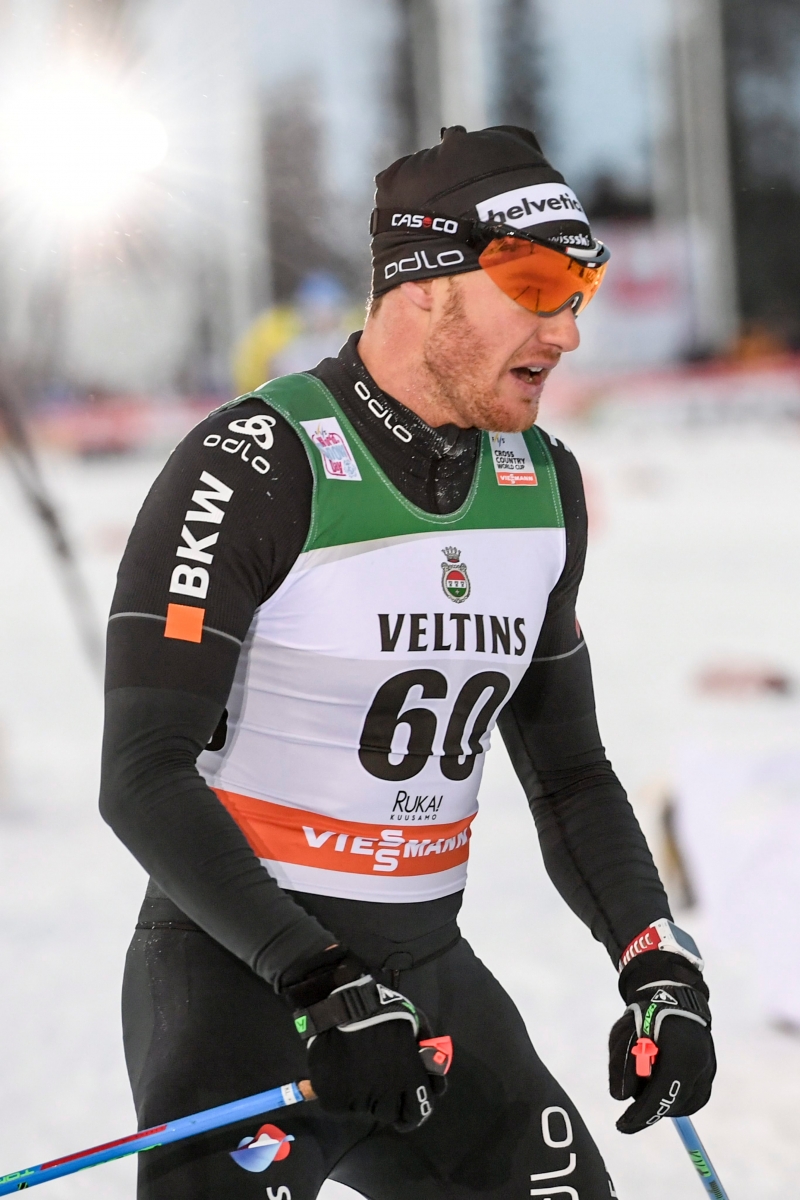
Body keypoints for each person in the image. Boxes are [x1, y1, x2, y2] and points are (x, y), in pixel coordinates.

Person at [100, 125, 716, 1199]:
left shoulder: (543, 489)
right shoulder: (252, 464)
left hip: (424, 977)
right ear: (424, 284)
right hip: (247, 982)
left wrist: (654, 959)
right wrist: (318, 976)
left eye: (581, 292)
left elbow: (568, 773)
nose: (567, 332)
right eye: (535, 287)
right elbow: (141, 774)